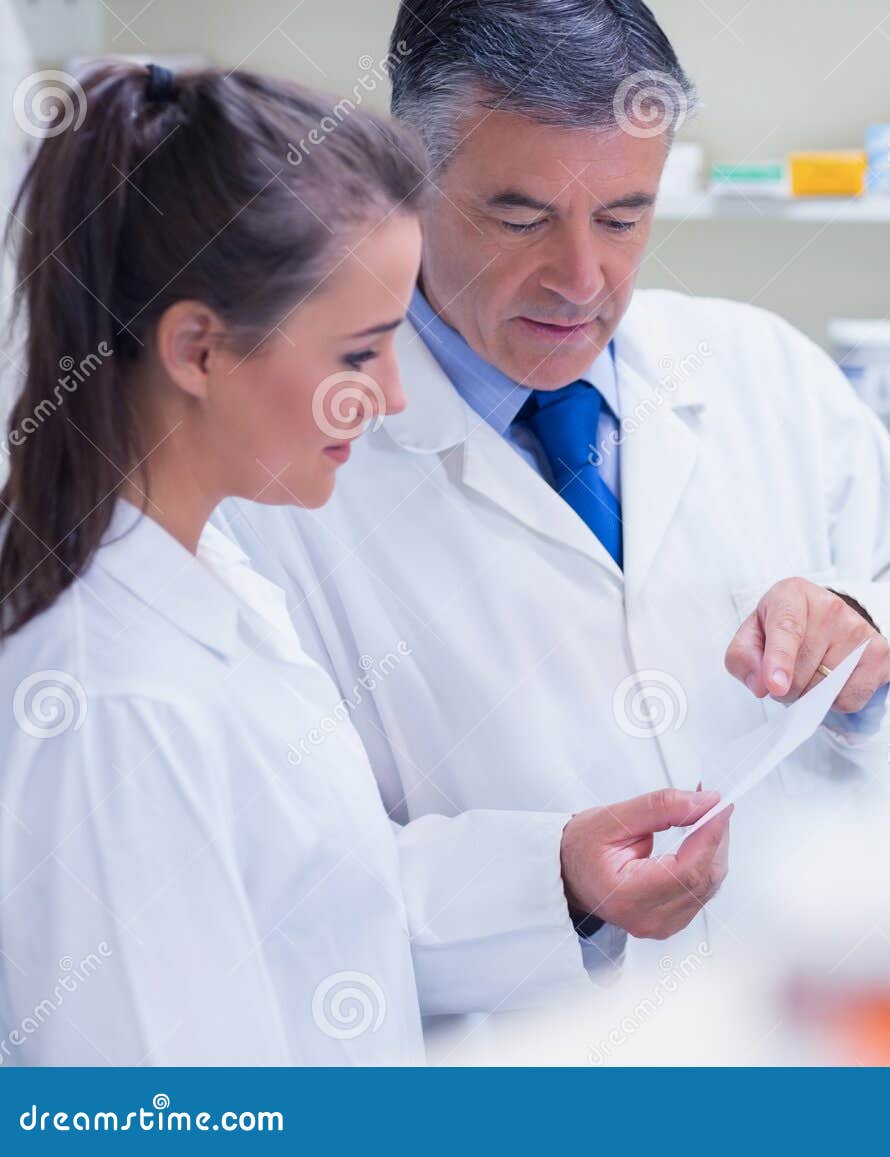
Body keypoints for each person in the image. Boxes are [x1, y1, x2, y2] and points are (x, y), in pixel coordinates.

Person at [221, 0, 890, 995]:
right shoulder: (282, 477)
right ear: (407, 184)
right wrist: (551, 881)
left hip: (803, 1021)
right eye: (521, 218)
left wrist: (868, 647)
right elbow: (279, 880)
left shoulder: (760, 368)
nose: (580, 279)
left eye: (623, 217)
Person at [0, 61, 731, 1065]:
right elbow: (152, 1116)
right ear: (198, 350)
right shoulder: (117, 704)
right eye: (359, 352)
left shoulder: (213, 582)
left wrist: (558, 875)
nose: (390, 396)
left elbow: (311, 900)